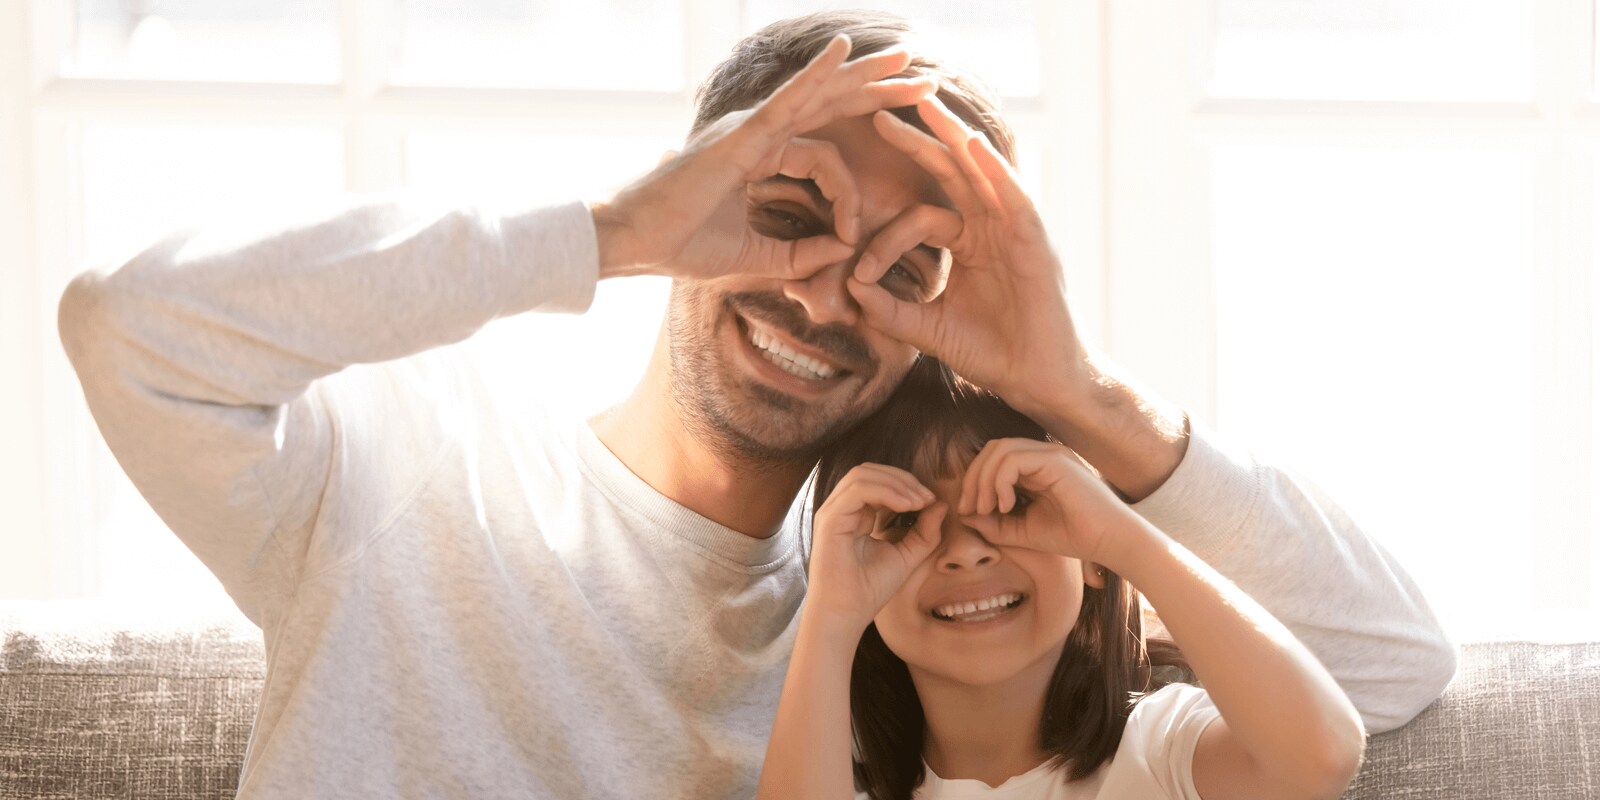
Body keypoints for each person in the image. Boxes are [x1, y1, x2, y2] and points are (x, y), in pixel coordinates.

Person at [57, 10, 1453, 799]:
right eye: (782, 214)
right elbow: (130, 327)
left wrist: (1071, 389)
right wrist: (606, 232)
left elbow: (1386, 677)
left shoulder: (908, 602)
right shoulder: (412, 471)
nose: (825, 296)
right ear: (694, 193)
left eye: (903, 272)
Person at [757, 357, 1365, 800]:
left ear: (1090, 554)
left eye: (1010, 503)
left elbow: (1325, 755)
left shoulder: (1164, 750)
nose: (965, 552)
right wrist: (831, 618)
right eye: (906, 520)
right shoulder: (826, 775)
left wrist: (1125, 539)